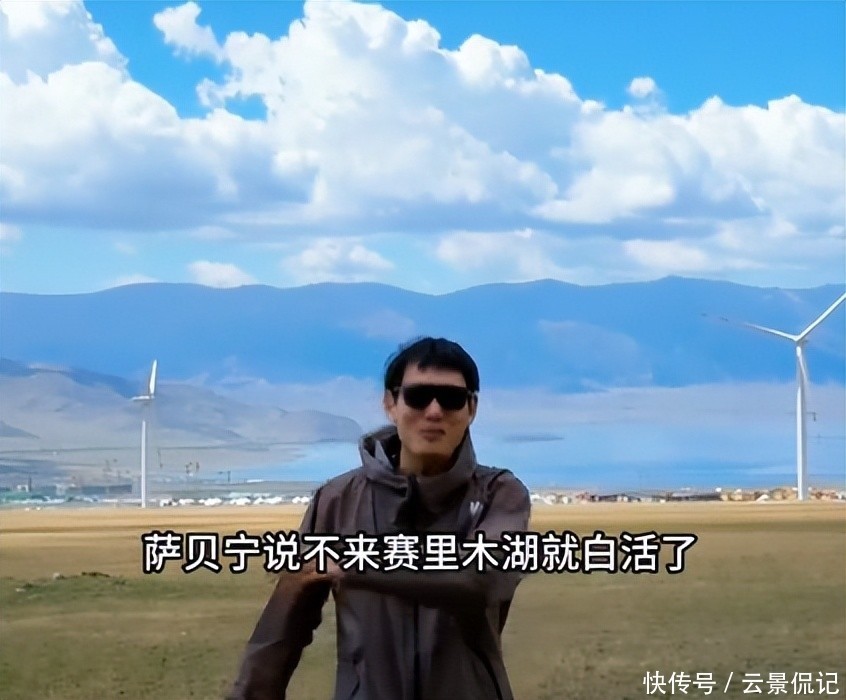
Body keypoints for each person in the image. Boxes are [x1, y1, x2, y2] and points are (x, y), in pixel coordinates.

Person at [227, 337, 531, 700]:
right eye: (418, 397)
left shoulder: (499, 493)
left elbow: (482, 578)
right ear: (390, 403)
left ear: (472, 408)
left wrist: (353, 563)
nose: (434, 411)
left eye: (451, 399)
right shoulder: (337, 500)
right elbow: (284, 626)